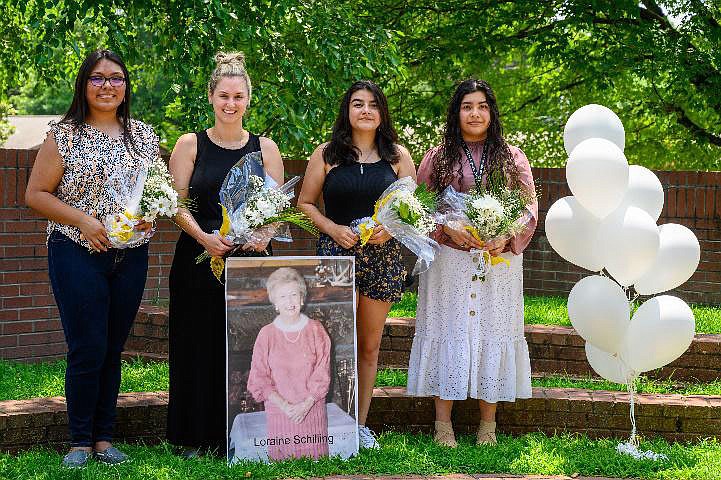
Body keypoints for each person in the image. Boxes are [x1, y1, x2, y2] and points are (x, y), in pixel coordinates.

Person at [25, 49, 158, 468]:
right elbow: (35, 195)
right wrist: (84, 221)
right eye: (98, 78)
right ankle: (79, 442)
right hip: (75, 250)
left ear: (126, 87)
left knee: (114, 347)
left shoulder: (144, 136)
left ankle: (105, 438)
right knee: (88, 346)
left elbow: (154, 196)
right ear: (84, 85)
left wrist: (144, 222)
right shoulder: (63, 134)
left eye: (116, 78)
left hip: (130, 255)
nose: (107, 86)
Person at [407, 79, 538, 447]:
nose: (475, 113)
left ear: (492, 112)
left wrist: (504, 235)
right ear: (457, 112)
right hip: (449, 259)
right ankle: (443, 424)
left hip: (498, 261)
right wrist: (448, 229)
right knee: (448, 328)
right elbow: (417, 208)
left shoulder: (513, 157)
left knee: (493, 330)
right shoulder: (438, 156)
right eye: (467, 106)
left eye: (482, 106)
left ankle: (487, 425)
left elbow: (528, 208)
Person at [167, 51, 284, 456]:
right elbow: (175, 205)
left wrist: (263, 236)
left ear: (248, 100)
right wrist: (205, 237)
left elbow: (276, 209)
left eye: (238, 97)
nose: (230, 104)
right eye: (224, 97)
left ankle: (243, 435)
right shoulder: (189, 145)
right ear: (211, 98)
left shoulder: (266, 148)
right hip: (198, 260)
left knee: (247, 347)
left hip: (250, 262)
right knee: (196, 344)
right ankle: (194, 436)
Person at [297, 80, 416, 449]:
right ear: (347, 111)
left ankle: (359, 426)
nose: (365, 110)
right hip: (336, 257)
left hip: (382, 259)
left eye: (372, 105)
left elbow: (416, 211)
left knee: (368, 345)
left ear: (382, 113)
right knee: (331, 344)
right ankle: (326, 422)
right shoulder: (327, 154)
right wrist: (333, 229)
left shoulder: (398, 156)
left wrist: (391, 230)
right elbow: (304, 203)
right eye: (357, 104)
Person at [246, 267, 331, 460]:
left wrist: (305, 405)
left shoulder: (317, 330)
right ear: (275, 302)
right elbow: (259, 379)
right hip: (279, 418)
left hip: (312, 416)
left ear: (302, 299)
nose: (289, 301)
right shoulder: (266, 334)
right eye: (283, 296)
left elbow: (322, 373)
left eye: (294, 295)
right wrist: (285, 406)